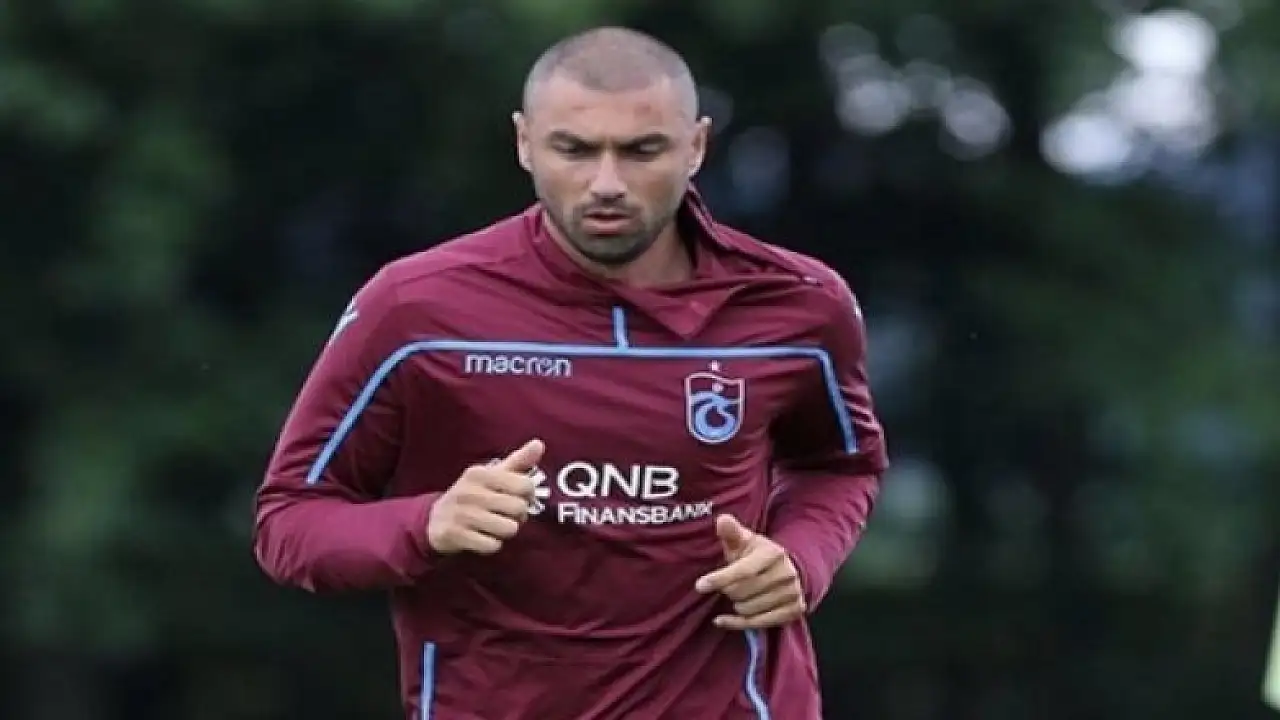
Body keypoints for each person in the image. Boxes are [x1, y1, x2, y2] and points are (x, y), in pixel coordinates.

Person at [253, 25, 888, 720]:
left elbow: (840, 465)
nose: (606, 184)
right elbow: (290, 522)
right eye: (575, 150)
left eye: (642, 150)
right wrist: (426, 522)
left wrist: (801, 558)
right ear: (525, 142)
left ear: (697, 146)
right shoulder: (415, 308)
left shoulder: (801, 305)